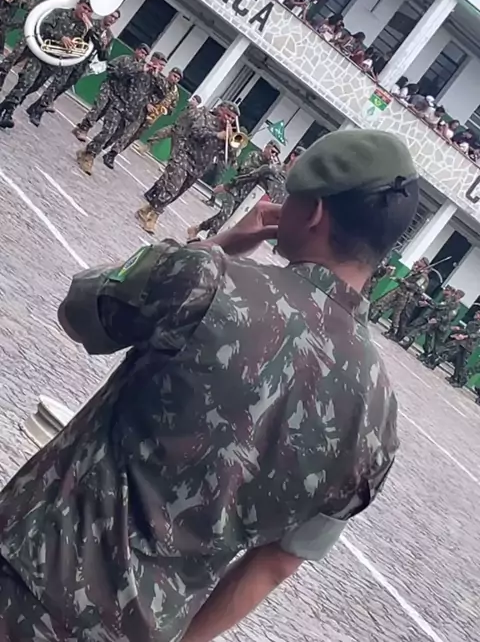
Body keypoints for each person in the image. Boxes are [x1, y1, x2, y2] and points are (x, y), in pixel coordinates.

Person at [0, 130, 417, 641]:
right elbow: (278, 562)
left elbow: (80, 310)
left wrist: (217, 246)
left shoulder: (210, 280)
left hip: (26, 578)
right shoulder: (377, 420)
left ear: (314, 213)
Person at [136, 101, 241, 233]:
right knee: (172, 188)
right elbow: (196, 132)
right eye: (228, 115)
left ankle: (145, 210)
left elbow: (228, 157)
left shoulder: (229, 132)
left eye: (232, 118)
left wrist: (232, 143)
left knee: (176, 193)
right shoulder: (205, 116)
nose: (229, 120)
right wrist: (217, 135)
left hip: (199, 166)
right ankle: (153, 218)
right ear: (221, 110)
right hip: (185, 155)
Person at [0, 0, 93, 130]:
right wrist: (60, 37)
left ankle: (4, 106)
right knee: (26, 82)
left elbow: (92, 47)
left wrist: (90, 31)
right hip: (40, 54)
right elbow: (44, 26)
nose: (85, 12)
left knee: (34, 87)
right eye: (84, 8)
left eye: (89, 11)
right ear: (78, 4)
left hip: (53, 61)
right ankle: (8, 113)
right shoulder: (60, 12)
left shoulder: (84, 28)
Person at [26, 11, 119, 125]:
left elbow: (103, 56)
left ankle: (35, 107)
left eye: (115, 18)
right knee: (58, 83)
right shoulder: (91, 22)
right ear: (106, 14)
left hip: (83, 63)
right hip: (72, 56)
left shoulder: (109, 36)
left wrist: (103, 47)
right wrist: (98, 40)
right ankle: (38, 110)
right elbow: (89, 37)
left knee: (62, 88)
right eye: (111, 16)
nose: (112, 19)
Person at [75, 43, 151, 175]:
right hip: (112, 92)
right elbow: (114, 71)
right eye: (141, 52)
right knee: (103, 119)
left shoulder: (146, 73)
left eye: (145, 54)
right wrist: (138, 69)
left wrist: (150, 73)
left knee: (112, 136)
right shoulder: (125, 60)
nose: (142, 55)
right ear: (136, 50)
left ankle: (88, 151)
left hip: (126, 106)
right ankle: (86, 139)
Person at [188, 140, 282, 238]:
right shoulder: (254, 156)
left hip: (246, 197)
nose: (273, 155)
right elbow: (245, 172)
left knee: (225, 218)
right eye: (272, 151)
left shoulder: (271, 168)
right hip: (234, 189)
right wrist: (263, 170)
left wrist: (272, 168)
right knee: (224, 215)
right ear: (267, 147)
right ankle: (209, 239)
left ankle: (198, 228)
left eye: (276, 154)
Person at [102, 57, 182, 169]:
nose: (175, 79)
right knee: (126, 132)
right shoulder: (158, 79)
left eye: (177, 78)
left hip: (151, 118)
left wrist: (165, 110)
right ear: (169, 73)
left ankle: (113, 152)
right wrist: (147, 103)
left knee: (133, 137)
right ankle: (110, 152)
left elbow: (172, 109)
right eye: (174, 76)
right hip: (142, 110)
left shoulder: (175, 94)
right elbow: (144, 91)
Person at [369, 258, 430, 340]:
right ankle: (372, 314)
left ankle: (393, 331)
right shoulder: (416, 271)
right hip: (400, 289)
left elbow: (416, 288)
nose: (419, 261)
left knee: (397, 313)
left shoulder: (423, 277)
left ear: (425, 265)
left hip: (406, 295)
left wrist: (406, 283)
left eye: (422, 261)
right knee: (383, 301)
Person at [438, 311, 480, 387]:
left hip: (469, 346)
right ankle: (454, 378)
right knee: (458, 362)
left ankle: (460, 381)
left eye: (478, 314)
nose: (475, 314)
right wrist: (458, 330)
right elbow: (466, 331)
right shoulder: (472, 323)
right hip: (463, 344)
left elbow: (476, 335)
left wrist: (464, 336)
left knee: (462, 364)